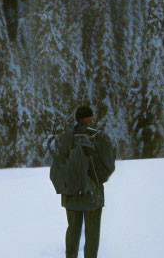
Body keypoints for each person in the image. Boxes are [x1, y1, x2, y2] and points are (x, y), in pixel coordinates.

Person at [49, 105, 116, 258]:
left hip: (71, 193)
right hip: (92, 194)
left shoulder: (65, 137)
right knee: (92, 234)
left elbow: (57, 167)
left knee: (73, 230)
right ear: (90, 118)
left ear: (77, 118)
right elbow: (109, 166)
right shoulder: (98, 137)